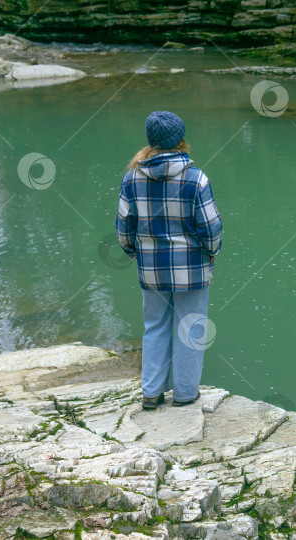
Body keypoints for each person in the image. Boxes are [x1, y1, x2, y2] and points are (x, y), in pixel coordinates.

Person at [116, 111, 222, 410]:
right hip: (192, 269)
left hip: (151, 269)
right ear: (181, 140)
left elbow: (124, 228)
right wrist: (213, 250)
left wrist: (135, 253)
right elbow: (210, 227)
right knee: (190, 327)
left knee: (154, 326)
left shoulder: (132, 178)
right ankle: (186, 393)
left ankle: (151, 392)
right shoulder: (196, 179)